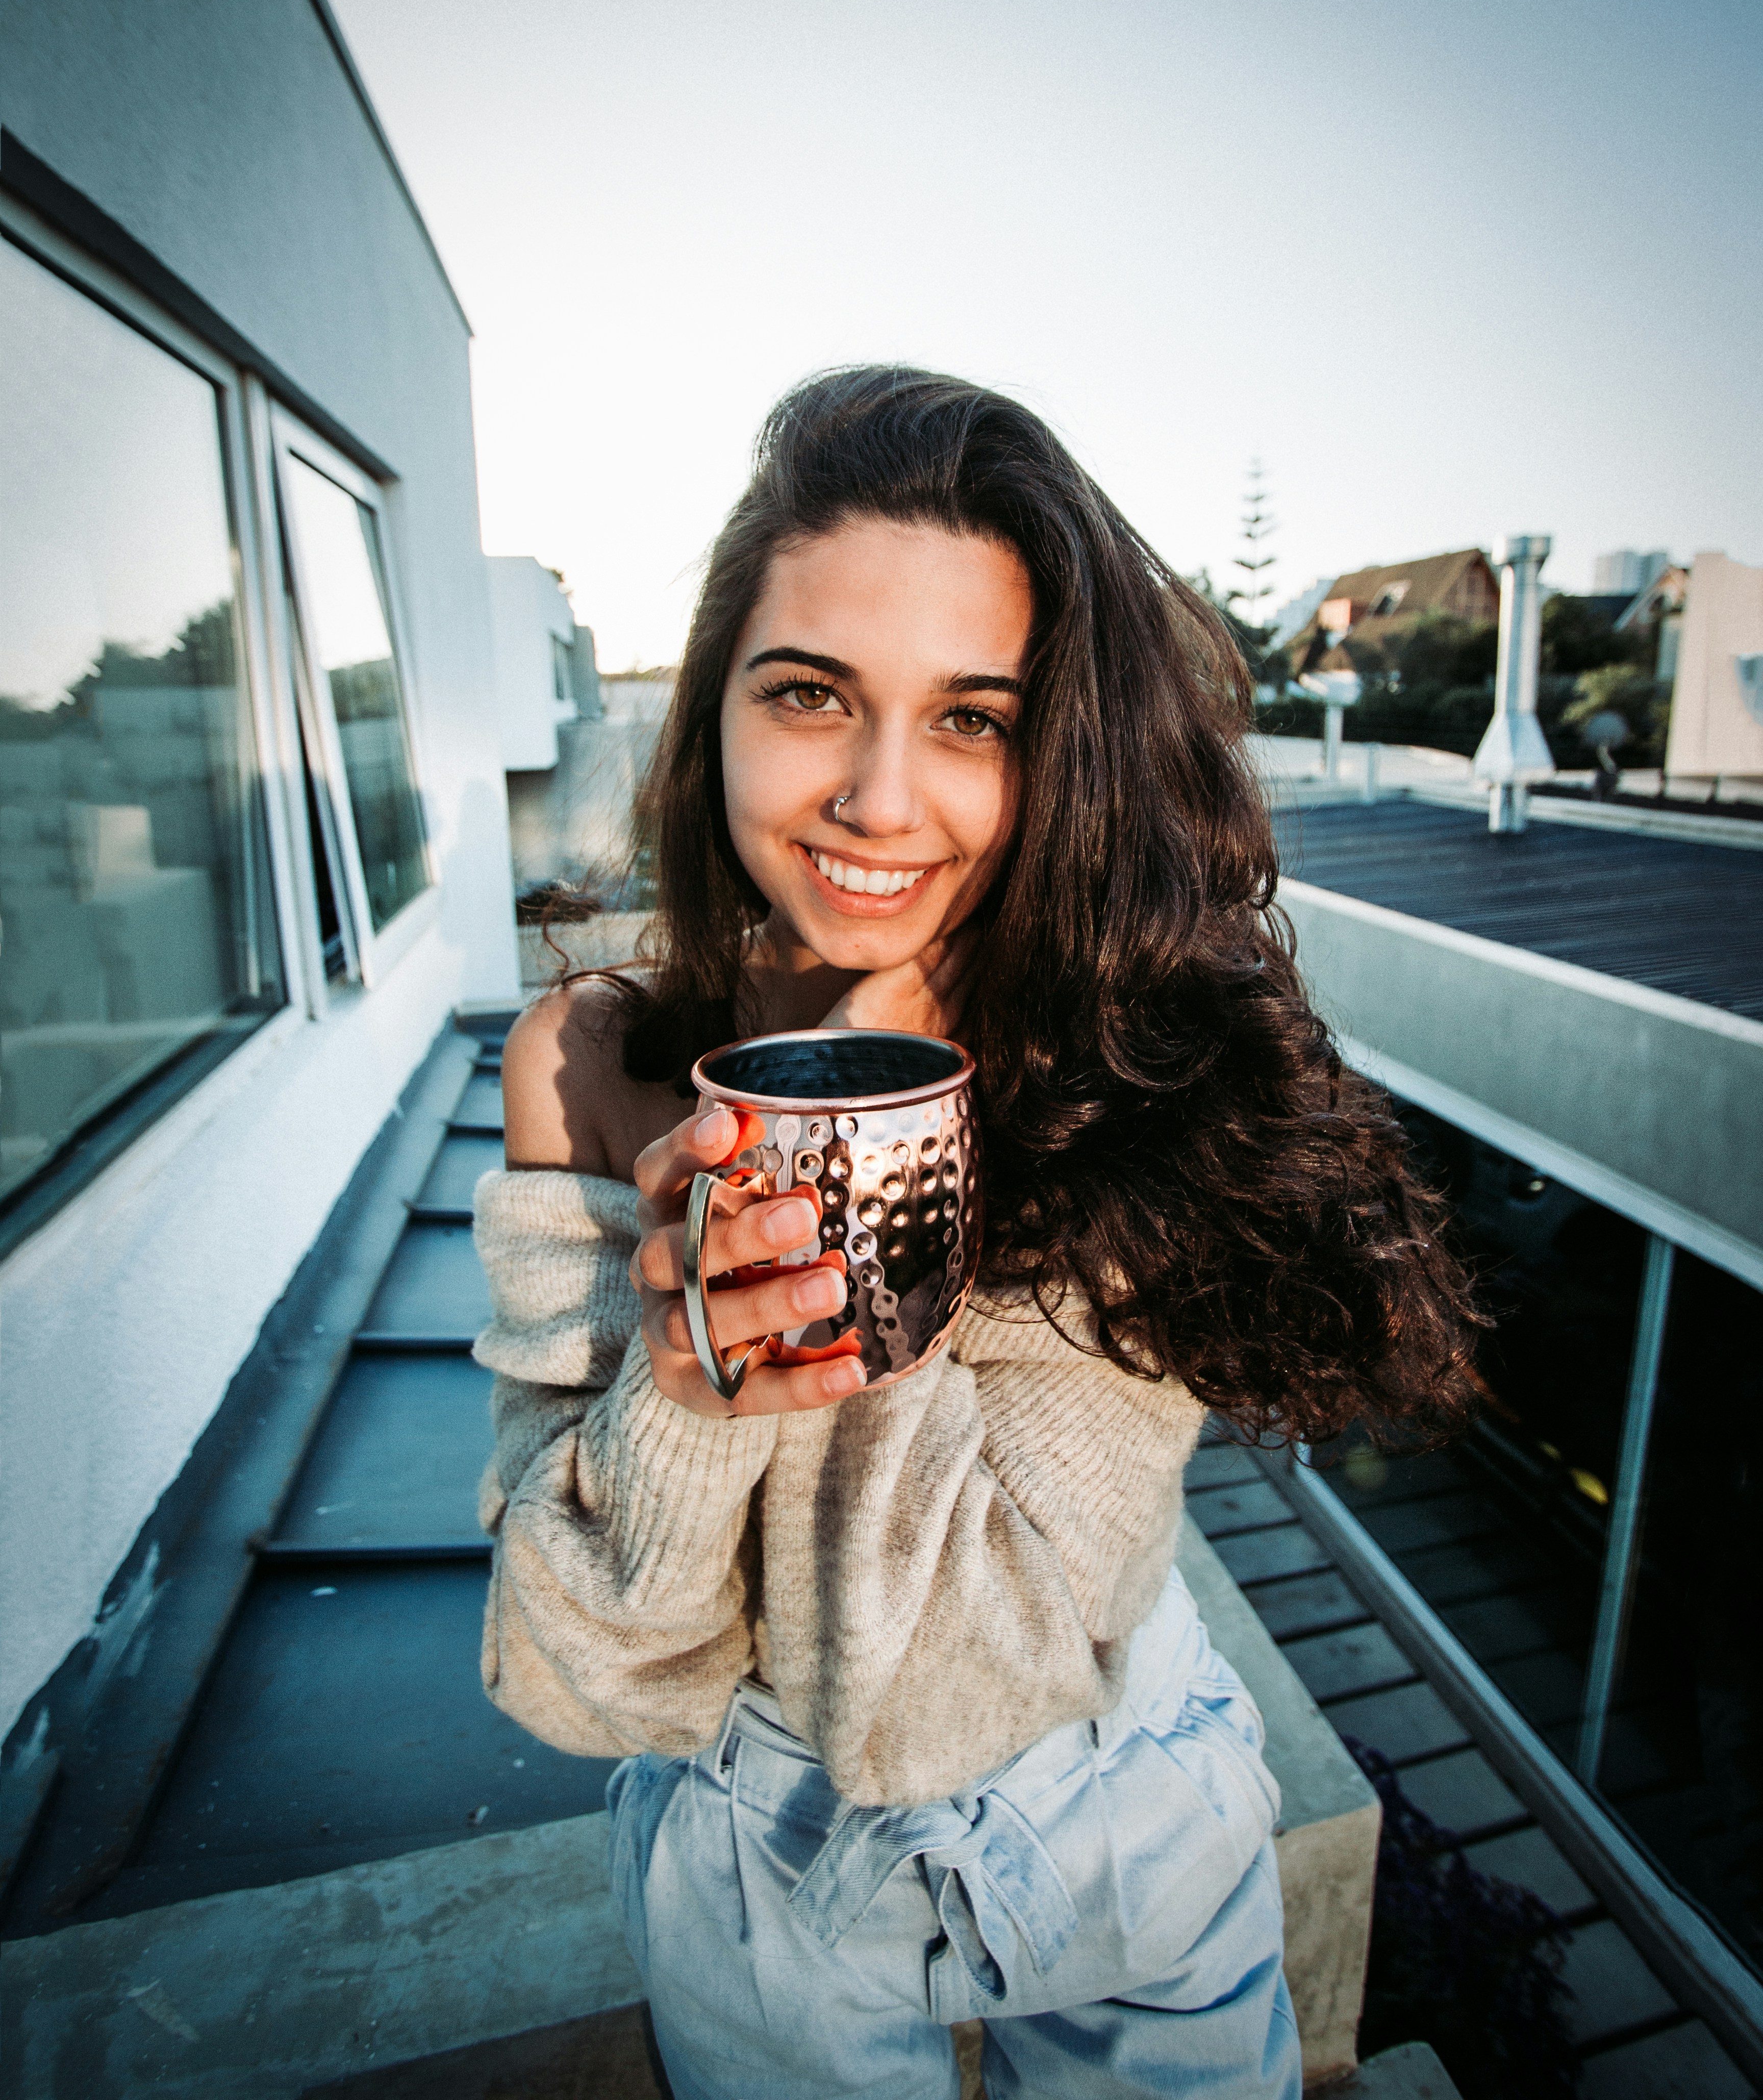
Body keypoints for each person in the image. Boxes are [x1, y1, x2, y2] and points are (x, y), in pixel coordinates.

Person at [475, 367, 1480, 2099]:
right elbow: (586, 1679)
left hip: (1119, 1821)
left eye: (973, 720)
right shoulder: (585, 1066)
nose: (880, 800)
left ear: (1063, 752)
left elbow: (946, 1687)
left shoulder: (1134, 1075)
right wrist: (686, 1401)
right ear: (714, 710)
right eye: (811, 694)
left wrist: (874, 1137)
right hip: (750, 1875)